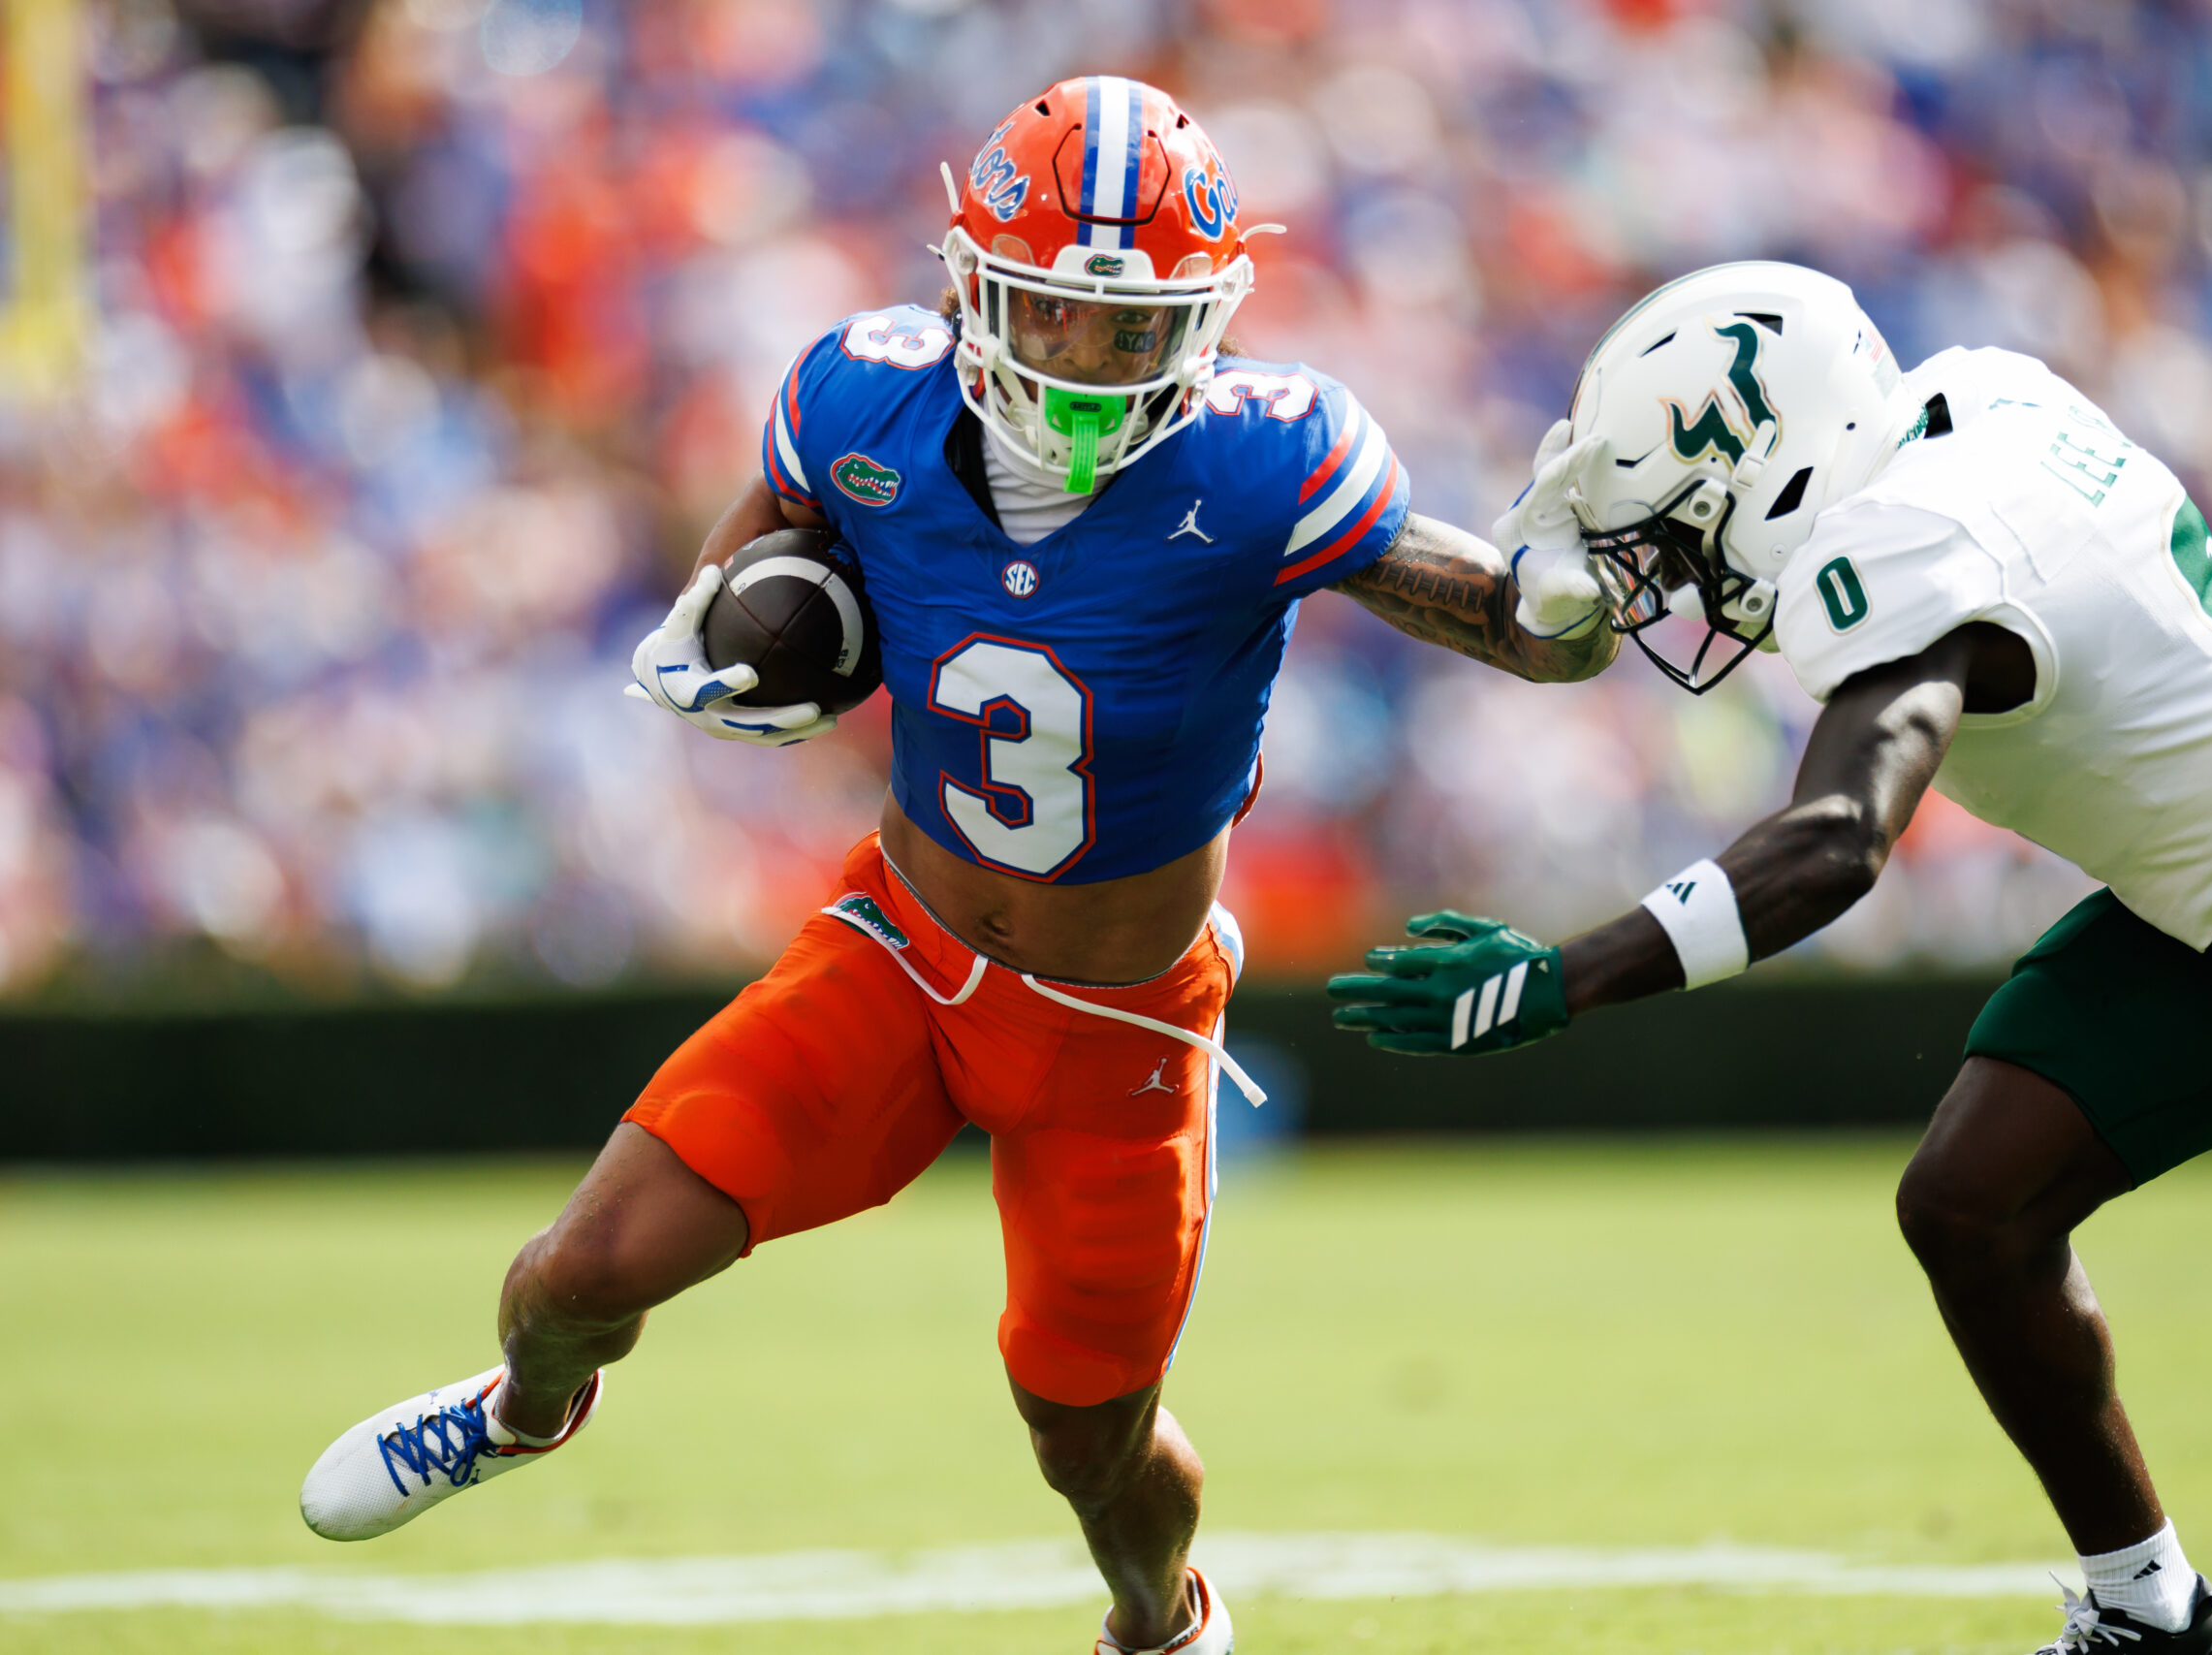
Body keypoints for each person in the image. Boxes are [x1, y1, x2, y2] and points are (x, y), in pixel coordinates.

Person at [297, 76, 1614, 1655]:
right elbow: (758, 537)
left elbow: (1477, 604)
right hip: (897, 950)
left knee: (1088, 1439)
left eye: (1133, 330)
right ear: (972, 287)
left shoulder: (1268, 462)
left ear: (1202, 323)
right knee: (578, 1269)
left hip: (1119, 1030)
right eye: (1052, 315)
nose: (1086, 360)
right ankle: (524, 1411)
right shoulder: (863, 402)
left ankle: (1166, 1622)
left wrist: (1553, 607)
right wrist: (725, 626)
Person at [1329, 259, 2212, 1654]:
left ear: (1765, 472)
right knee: (1971, 1203)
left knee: (1973, 1197)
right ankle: (2151, 1618)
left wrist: (1559, 979)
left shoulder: (1898, 546)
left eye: (1684, 540)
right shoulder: (1973, 399)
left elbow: (1834, 842)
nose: (1680, 584)